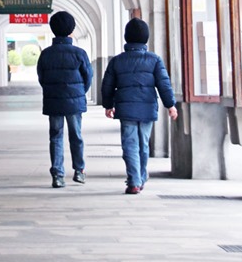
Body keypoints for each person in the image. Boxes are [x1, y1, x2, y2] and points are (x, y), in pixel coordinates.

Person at [101, 17, 178, 195]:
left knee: (130, 144)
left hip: (126, 109)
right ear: (146, 38)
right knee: (143, 144)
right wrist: (170, 105)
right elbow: (164, 84)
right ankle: (140, 177)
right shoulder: (154, 60)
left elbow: (107, 85)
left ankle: (134, 180)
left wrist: (108, 105)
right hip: (147, 108)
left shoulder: (117, 61)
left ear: (126, 37)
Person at [37, 11, 93, 188]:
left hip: (54, 100)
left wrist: (52, 90)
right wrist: (79, 92)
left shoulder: (46, 54)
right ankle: (79, 170)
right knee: (76, 135)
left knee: (56, 136)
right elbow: (88, 77)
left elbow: (42, 78)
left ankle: (58, 175)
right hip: (74, 101)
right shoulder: (79, 53)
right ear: (72, 30)